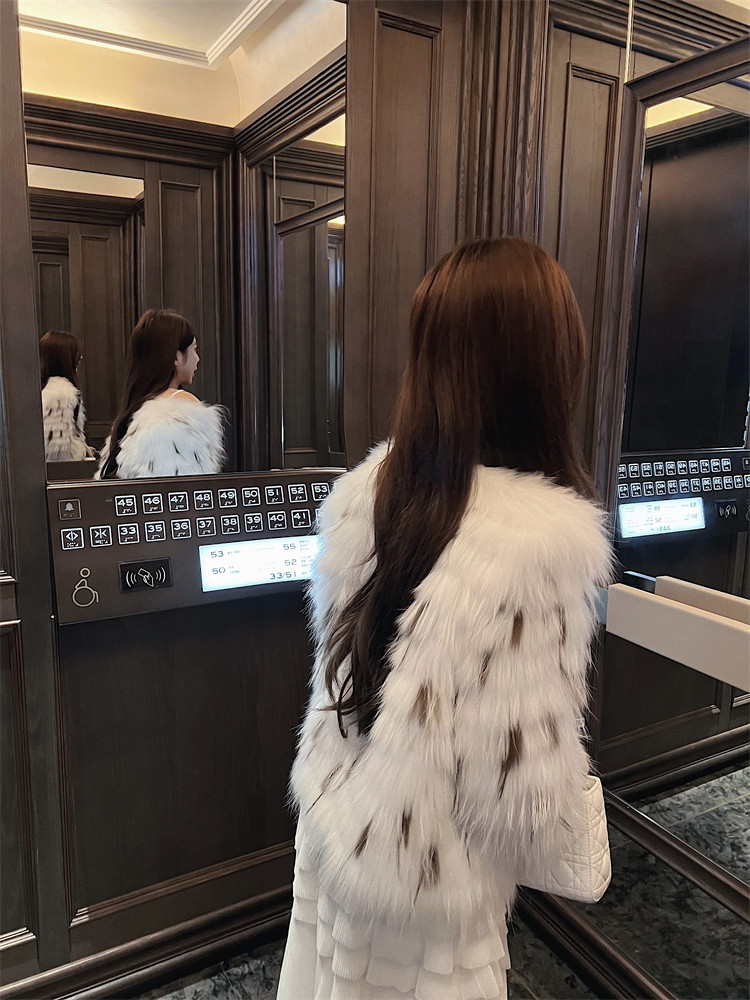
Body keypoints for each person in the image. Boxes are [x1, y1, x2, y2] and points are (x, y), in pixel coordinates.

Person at [277, 237, 613, 999]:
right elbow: (520, 806)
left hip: (334, 837)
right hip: (430, 899)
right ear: (542, 365)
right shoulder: (541, 541)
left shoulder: (370, 488)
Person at [98, 309, 225, 479]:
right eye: (194, 349)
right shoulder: (182, 409)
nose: (197, 358)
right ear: (176, 356)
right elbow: (191, 488)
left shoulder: (133, 413)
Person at [40, 330, 94, 462]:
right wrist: (82, 451)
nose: (80, 358)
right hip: (62, 471)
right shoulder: (61, 394)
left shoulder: (46, 388)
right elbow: (58, 451)